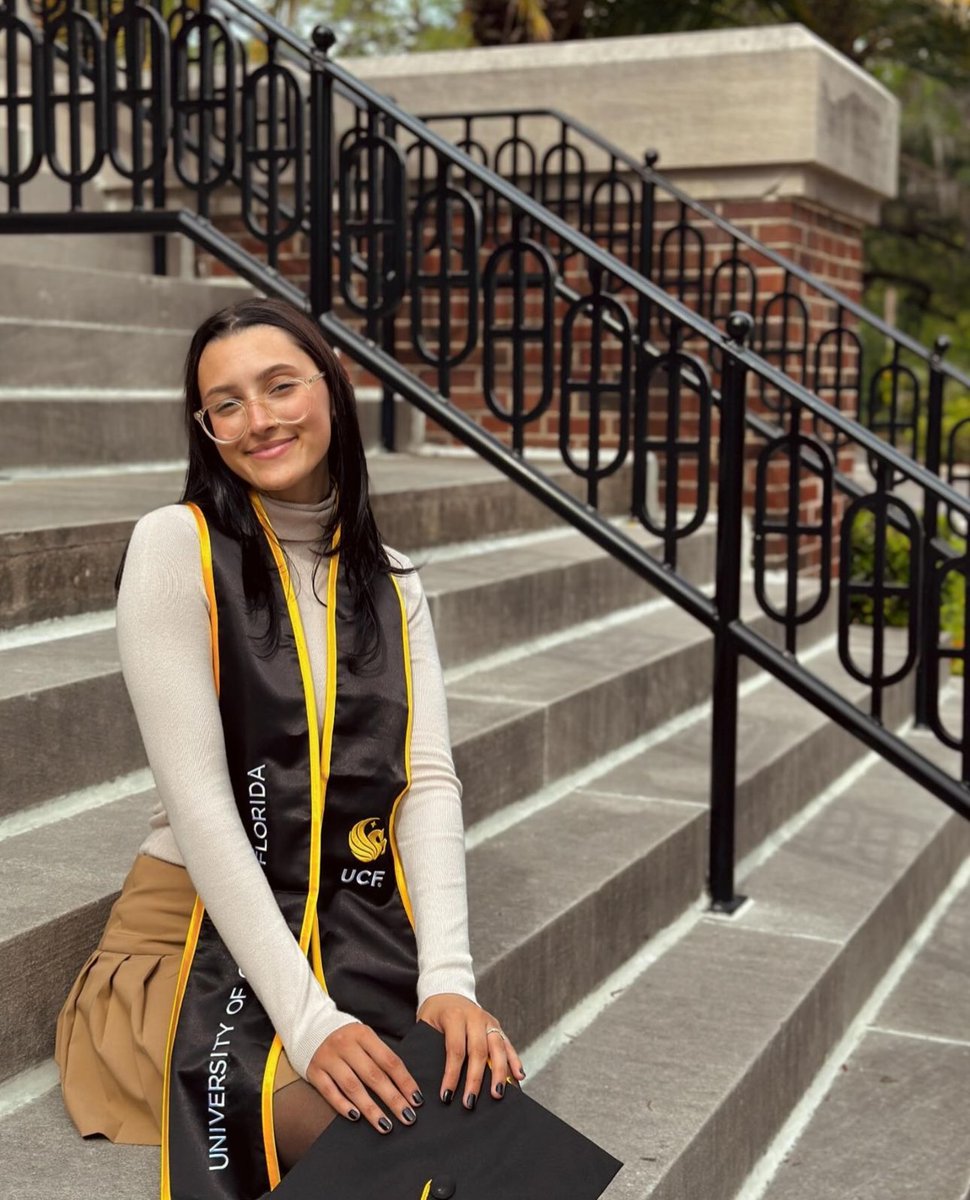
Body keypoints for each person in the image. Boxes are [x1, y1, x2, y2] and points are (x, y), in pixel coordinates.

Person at [54, 297, 524, 1192]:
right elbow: (198, 804)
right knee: (405, 1150)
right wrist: (310, 1026)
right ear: (205, 428)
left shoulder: (390, 581)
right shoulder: (176, 547)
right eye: (225, 403)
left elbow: (423, 780)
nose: (257, 419)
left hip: (345, 926)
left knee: (485, 1125)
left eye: (279, 386)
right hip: (189, 945)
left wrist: (448, 981)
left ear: (334, 388)